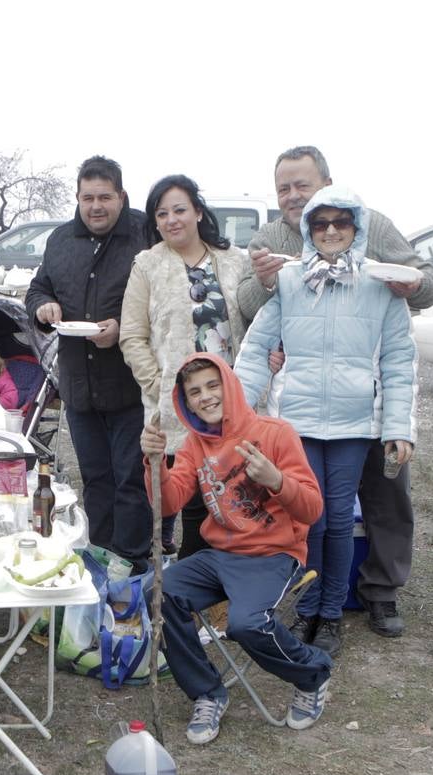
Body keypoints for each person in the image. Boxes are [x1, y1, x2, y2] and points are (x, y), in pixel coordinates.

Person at [236, 146, 433, 639]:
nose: (330, 231)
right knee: (311, 517)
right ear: (307, 228)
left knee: (344, 517)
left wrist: (397, 428)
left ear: (356, 228)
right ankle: (308, 605)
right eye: (320, 223)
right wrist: (238, 414)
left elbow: (397, 360)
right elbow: (257, 344)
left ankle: (331, 615)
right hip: (299, 422)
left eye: (340, 223)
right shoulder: (289, 279)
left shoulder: (379, 285)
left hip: (353, 425)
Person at [141, 353, 331, 743]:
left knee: (245, 624)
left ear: (229, 386)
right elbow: (171, 501)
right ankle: (207, 692)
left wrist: (277, 480)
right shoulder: (196, 444)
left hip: (273, 555)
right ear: (186, 401)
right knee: (159, 592)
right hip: (220, 555)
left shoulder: (276, 433)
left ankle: (312, 674)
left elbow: (312, 509)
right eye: (194, 392)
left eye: (213, 385)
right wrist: (154, 463)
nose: (205, 397)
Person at [26, 156, 153, 568]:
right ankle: (102, 557)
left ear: (121, 196)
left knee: (132, 480)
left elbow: (164, 300)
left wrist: (124, 326)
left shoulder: (144, 234)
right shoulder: (62, 240)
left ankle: (132, 563)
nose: (96, 206)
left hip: (132, 383)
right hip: (80, 384)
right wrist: (43, 307)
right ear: (78, 199)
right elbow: (38, 288)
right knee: (96, 479)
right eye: (87, 198)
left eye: (104, 197)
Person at [119, 174, 253, 560]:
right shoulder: (148, 264)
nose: (171, 220)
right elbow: (132, 334)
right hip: (180, 407)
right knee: (194, 501)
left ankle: (229, 592)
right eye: (162, 214)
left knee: (235, 497)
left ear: (197, 210)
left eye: (179, 209)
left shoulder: (233, 261)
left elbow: (255, 322)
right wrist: (160, 385)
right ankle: (194, 595)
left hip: (229, 400)